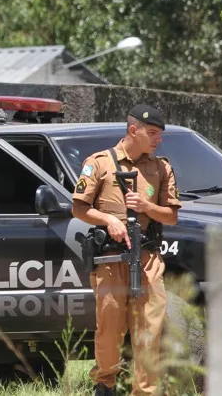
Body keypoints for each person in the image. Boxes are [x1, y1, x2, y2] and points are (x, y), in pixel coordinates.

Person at [72, 105, 182, 396]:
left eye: (160, 134)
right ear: (134, 130)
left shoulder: (160, 168)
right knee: (109, 330)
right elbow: (78, 207)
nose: (158, 140)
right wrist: (108, 220)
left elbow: (171, 216)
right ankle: (105, 383)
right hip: (111, 259)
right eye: (152, 133)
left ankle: (144, 391)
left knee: (149, 332)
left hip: (147, 259)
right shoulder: (98, 163)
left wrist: (147, 207)